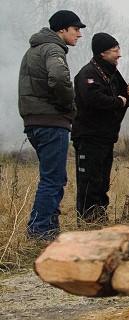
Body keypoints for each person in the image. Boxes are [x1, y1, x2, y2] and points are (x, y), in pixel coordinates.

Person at [18, 10, 86, 240]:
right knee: (53, 179)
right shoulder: (53, 49)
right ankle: (39, 230)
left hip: (35, 121)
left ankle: (50, 228)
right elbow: (58, 77)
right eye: (75, 29)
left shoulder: (34, 50)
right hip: (51, 122)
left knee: (52, 177)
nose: (79, 34)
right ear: (62, 30)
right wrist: (69, 103)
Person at [71, 32, 129, 224]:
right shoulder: (88, 73)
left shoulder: (113, 73)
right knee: (89, 181)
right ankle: (88, 221)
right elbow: (93, 99)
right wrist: (118, 101)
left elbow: (125, 98)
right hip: (89, 136)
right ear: (103, 53)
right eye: (116, 50)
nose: (119, 54)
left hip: (106, 137)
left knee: (102, 182)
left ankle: (99, 217)